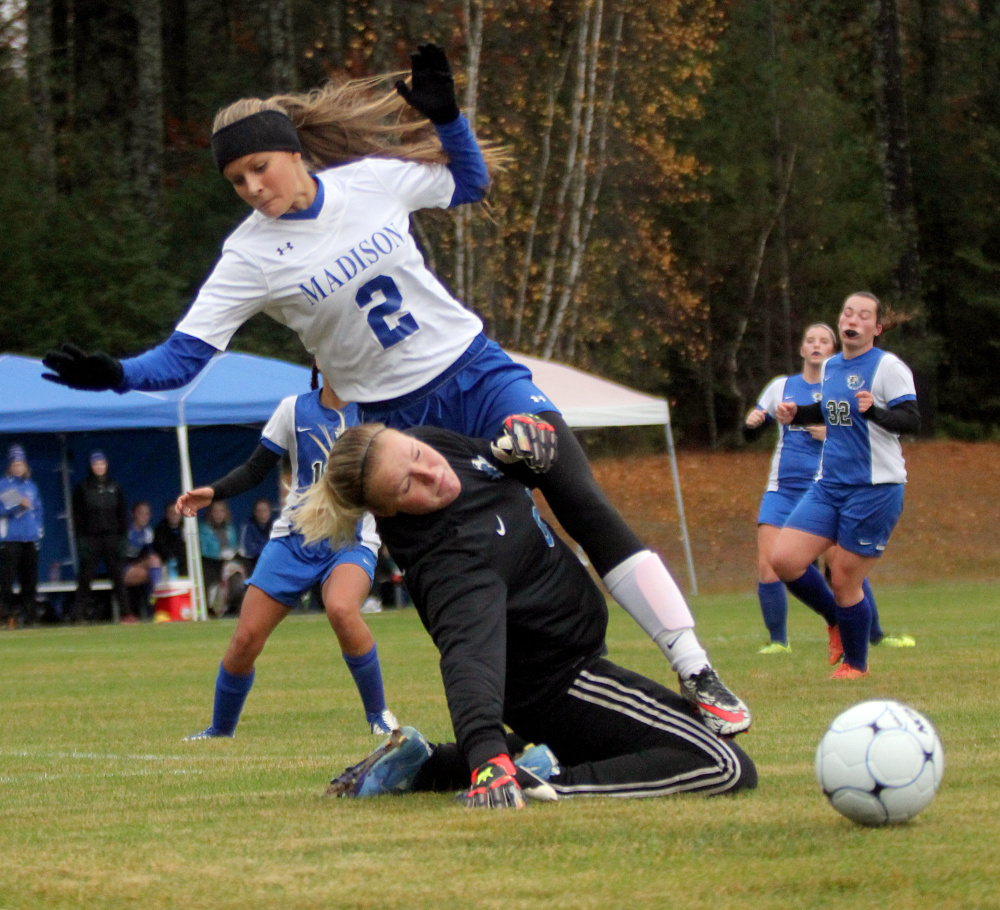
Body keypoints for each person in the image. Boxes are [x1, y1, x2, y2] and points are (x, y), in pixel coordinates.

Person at [41, 44, 748, 734]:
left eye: (260, 167)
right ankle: (506, 731)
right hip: (396, 429)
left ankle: (696, 670)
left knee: (578, 497)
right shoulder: (248, 255)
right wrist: (117, 376)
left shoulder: (371, 181)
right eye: (236, 181)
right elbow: (183, 358)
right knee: (460, 579)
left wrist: (448, 119)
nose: (253, 188)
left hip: (478, 375)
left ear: (292, 151)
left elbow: (470, 183)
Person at [296, 425, 756, 809]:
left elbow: (488, 464)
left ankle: (428, 764)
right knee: (724, 766)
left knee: (653, 745)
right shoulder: (452, 560)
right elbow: (468, 660)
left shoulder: (438, 447)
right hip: (566, 685)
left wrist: (516, 449)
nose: (431, 473)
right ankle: (538, 781)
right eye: (406, 486)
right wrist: (487, 759)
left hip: (567, 676)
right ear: (387, 511)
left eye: (417, 455)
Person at [177, 367, 397, 739]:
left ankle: (379, 715)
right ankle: (220, 731)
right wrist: (212, 493)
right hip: (294, 541)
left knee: (342, 610)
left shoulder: (374, 412)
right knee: (245, 639)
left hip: (350, 541)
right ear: (319, 360)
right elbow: (254, 470)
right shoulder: (293, 410)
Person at [770, 292, 921, 679]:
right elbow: (832, 409)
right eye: (847, 312)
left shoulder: (888, 367)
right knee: (784, 559)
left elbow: (911, 419)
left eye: (863, 315)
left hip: (875, 488)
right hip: (830, 486)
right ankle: (836, 621)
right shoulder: (833, 366)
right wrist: (797, 413)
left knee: (844, 578)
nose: (853, 319)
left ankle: (856, 664)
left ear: (876, 327)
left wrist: (877, 412)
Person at [71, 451, 128, 623]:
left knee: (118, 576)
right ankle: (78, 614)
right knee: (86, 577)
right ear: (91, 466)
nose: (99, 467)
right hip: (91, 538)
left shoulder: (115, 487)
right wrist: (81, 539)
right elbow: (77, 516)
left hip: (111, 537)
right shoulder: (83, 488)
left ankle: (127, 613)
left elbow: (122, 514)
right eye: (96, 464)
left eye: (102, 464)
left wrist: (122, 538)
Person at [0, 445, 43, 629]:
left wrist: (38, 529)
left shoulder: (31, 486)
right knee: (7, 580)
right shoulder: (4, 484)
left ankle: (29, 615)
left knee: (30, 580)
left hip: (29, 538)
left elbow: (39, 509)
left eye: (21, 464)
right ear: (10, 465)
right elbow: (3, 509)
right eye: (15, 464)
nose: (18, 467)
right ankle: (6, 614)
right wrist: (18, 505)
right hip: (11, 539)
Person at [198, 500, 244, 617]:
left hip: (227, 562)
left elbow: (233, 546)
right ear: (210, 513)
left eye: (221, 511)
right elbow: (203, 549)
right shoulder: (203, 529)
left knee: (238, 573)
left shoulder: (230, 529)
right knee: (209, 577)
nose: (218, 514)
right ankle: (211, 609)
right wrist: (220, 554)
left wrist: (232, 552)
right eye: (215, 511)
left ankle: (234, 606)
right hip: (210, 562)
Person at [121, 500, 162, 622]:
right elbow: (119, 556)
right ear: (133, 514)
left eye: (147, 514)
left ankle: (152, 607)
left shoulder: (148, 532)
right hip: (122, 569)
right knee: (154, 562)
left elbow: (149, 552)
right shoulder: (126, 531)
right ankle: (157, 600)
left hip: (139, 568)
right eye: (140, 513)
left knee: (151, 567)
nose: (144, 517)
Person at [239, 497, 274, 575]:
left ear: (270, 512)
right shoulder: (248, 527)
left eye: (265, 510)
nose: (262, 514)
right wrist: (266, 548)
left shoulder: (276, 527)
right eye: (259, 511)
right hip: (253, 564)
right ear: (254, 512)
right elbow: (246, 550)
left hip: (272, 563)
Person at [152, 500, 187, 577]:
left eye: (176, 512)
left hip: (185, 565)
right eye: (170, 512)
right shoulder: (160, 530)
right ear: (166, 514)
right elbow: (161, 548)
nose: (174, 515)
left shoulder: (187, 528)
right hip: (167, 565)